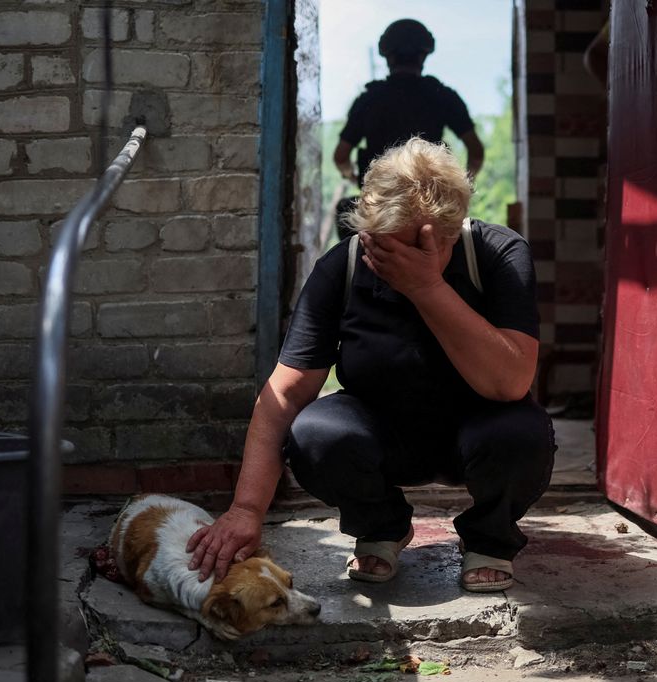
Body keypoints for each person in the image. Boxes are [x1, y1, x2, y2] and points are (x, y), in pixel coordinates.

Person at [188, 138, 555, 593]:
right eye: (380, 245)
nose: (388, 261)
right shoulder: (342, 266)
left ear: (449, 234)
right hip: (383, 434)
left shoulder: (497, 255)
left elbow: (509, 382)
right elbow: (283, 396)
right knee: (316, 433)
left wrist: (427, 288)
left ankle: (489, 537)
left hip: (478, 431)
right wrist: (246, 509)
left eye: (410, 248)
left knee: (523, 433)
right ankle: (381, 525)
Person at [333, 19, 485, 188]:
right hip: (431, 204)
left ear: (388, 57)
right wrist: (461, 188)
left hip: (381, 204)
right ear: (423, 55)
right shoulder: (442, 95)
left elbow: (341, 156)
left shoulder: (369, 98)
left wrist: (355, 178)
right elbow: (476, 153)